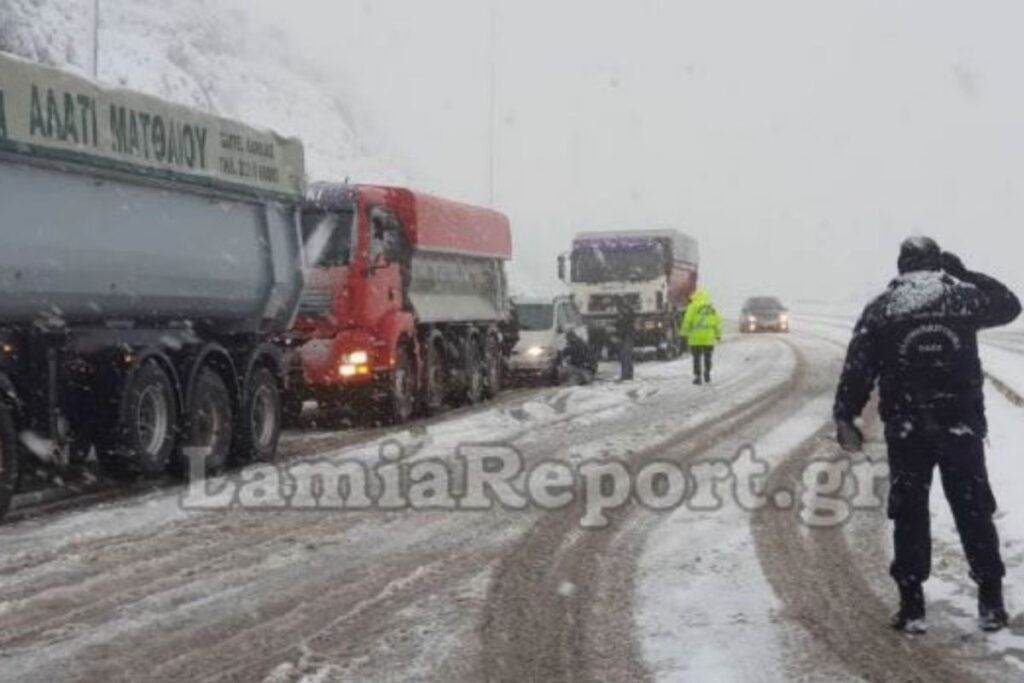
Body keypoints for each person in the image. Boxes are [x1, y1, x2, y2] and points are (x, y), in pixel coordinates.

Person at [833, 237, 1021, 634]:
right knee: (973, 511)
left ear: (902, 265)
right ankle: (990, 603)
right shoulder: (960, 298)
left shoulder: (884, 308)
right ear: (937, 263)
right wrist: (963, 273)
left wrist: (846, 415)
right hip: (960, 426)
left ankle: (912, 606)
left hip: (908, 429)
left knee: (909, 512)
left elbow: (858, 368)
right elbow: (1009, 304)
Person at [680, 288, 722, 385]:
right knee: (708, 357)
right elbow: (717, 322)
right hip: (708, 338)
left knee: (696, 358)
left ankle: (698, 377)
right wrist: (718, 334)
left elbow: (687, 321)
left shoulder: (693, 306)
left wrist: (683, 333)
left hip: (696, 338)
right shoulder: (711, 308)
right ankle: (707, 373)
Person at [615, 296, 636, 381]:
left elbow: (626, 325)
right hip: (624, 336)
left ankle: (627, 375)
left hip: (627, 336)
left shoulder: (627, 313)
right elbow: (619, 325)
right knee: (624, 356)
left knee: (626, 355)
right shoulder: (622, 314)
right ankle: (626, 374)